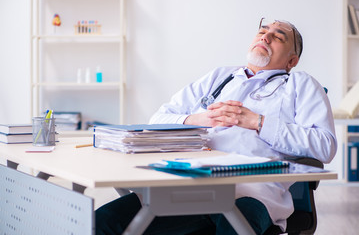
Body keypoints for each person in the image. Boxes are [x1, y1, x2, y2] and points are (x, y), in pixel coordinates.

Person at [96, 18, 337, 235]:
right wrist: (200, 120)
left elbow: (325, 146)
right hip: (185, 186)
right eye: (262, 31)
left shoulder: (300, 84)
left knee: (235, 224)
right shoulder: (220, 77)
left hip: (251, 193)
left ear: (291, 61)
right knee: (102, 222)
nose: (266, 36)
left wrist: (258, 122)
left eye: (278, 36)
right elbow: (158, 118)